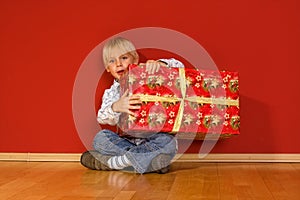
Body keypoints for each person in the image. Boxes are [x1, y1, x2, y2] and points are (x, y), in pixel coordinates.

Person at [80, 37, 184, 174]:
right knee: (100, 138)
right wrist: (116, 106)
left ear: (134, 60)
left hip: (153, 139)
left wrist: (161, 64)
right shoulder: (112, 92)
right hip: (125, 142)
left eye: (123, 58)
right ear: (107, 68)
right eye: (112, 61)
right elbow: (101, 118)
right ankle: (150, 162)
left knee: (169, 142)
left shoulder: (150, 76)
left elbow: (180, 66)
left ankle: (112, 163)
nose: (118, 64)